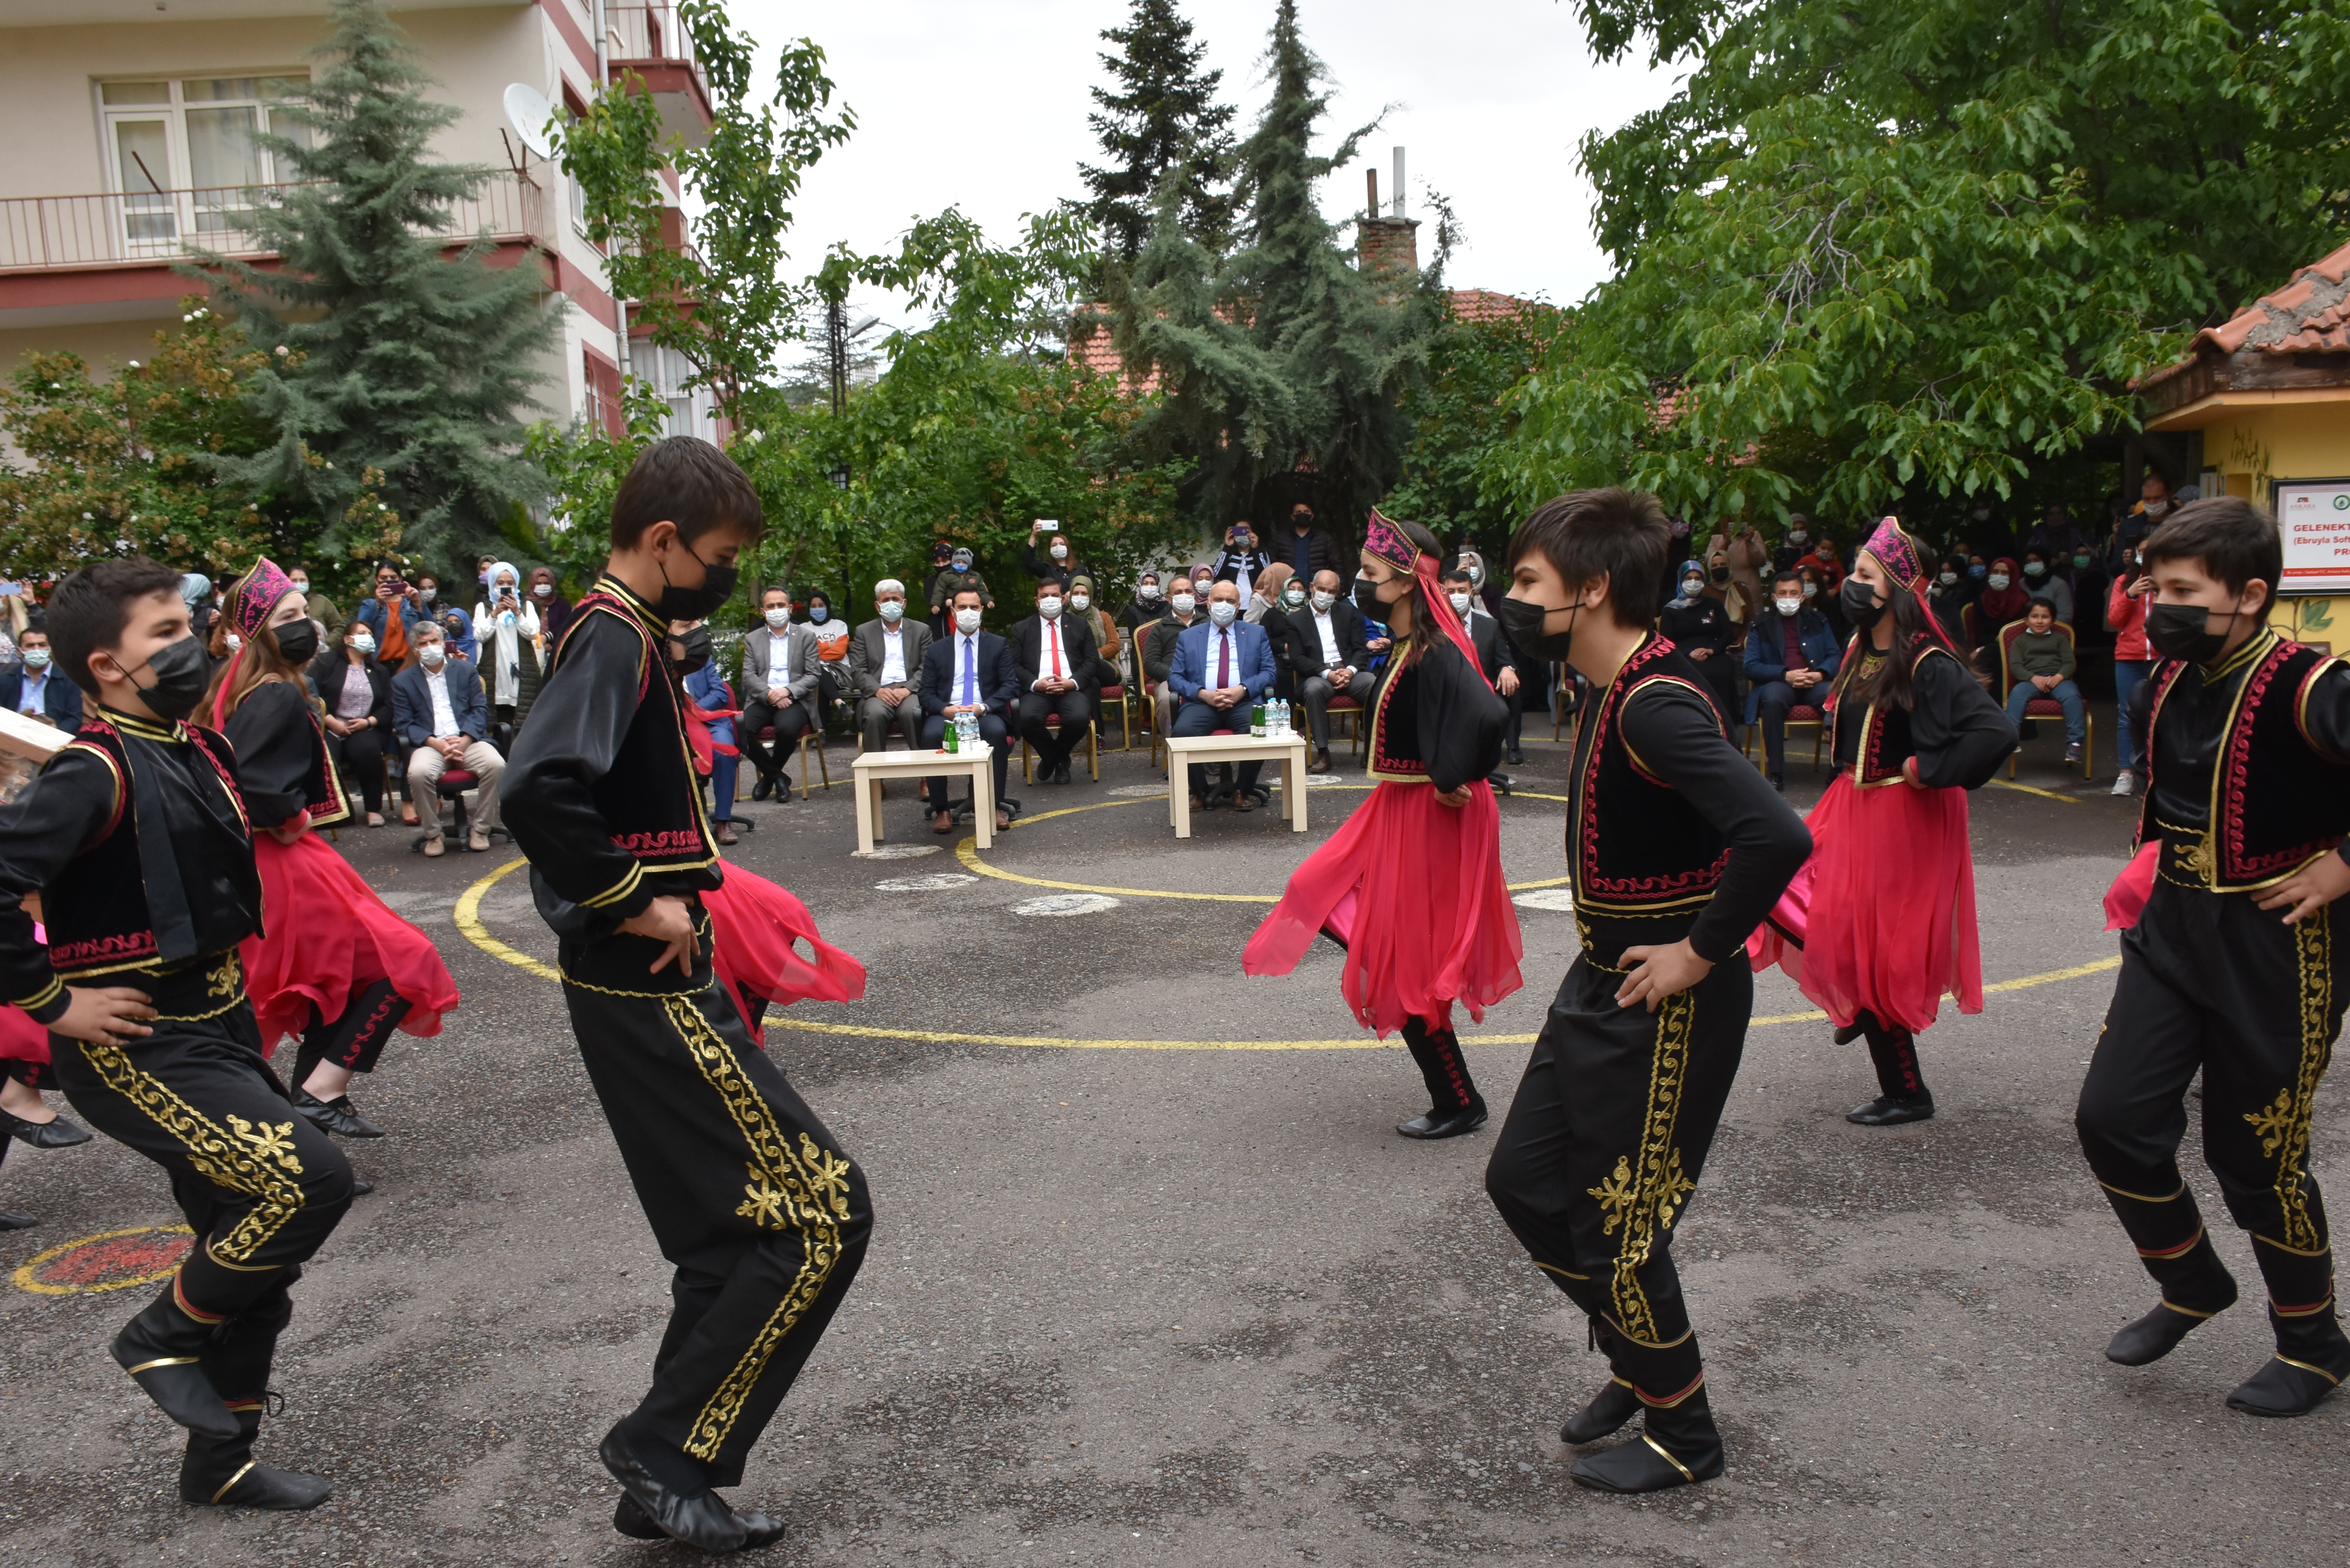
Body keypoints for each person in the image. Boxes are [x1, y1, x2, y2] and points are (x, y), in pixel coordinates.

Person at [502, 437, 870, 1552]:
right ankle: (661, 1451)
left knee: (727, 1238)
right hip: (644, 978)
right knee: (821, 1214)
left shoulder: (623, 630)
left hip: (647, 977)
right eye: (714, 557)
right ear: (661, 544)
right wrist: (629, 899)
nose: (720, 577)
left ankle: (668, 1470)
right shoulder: (611, 634)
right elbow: (538, 791)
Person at [1, 556, 353, 1509]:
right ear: (107, 665)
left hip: (220, 1026)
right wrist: (50, 1005)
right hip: (135, 1048)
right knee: (309, 1179)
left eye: (185, 623)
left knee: (254, 1256)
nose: (192, 641)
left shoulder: (199, 748)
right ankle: (156, 1338)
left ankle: (221, 1463)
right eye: (163, 632)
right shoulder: (90, 771)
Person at [1481, 489, 1811, 1495]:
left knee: (1619, 1224)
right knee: (1524, 1184)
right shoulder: (1615, 684)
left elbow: (1779, 835)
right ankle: (1642, 1359)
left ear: (1590, 592)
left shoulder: (1656, 703)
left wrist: (1701, 952)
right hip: (1603, 979)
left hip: (1665, 995)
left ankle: (1684, 1432)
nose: (1510, 598)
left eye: (1528, 582)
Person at [2076, 495, 2350, 1417]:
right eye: (2153, 587)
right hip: (2174, 924)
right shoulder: (2171, 677)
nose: (2158, 605)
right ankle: (2190, 1279)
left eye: (2182, 590)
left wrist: (2342, 867)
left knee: (2257, 1152)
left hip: (2277, 945)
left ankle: (2312, 1344)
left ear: (2250, 595)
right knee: (2111, 1117)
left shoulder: (2311, 685)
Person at [1246, 511, 1519, 1136]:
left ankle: (1456, 1100)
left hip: (1428, 815)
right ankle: (1455, 1093)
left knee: (1406, 955)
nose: (1357, 583)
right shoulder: (1404, 645)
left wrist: (1455, 778)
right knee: (1319, 893)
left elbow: (1489, 716)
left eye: (1369, 574)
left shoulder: (1435, 649)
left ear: (1402, 582)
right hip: (1398, 810)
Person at [1748, 517, 2017, 1126]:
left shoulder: (1926, 661)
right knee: (1776, 885)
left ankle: (1904, 1090)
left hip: (1899, 815)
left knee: (1873, 947)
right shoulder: (1858, 647)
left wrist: (1930, 767)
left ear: (1896, 587)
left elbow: (1994, 731)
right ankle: (1856, 1004)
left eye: (1866, 575)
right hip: (1851, 803)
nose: (1851, 583)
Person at [206, 559, 458, 1146]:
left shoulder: (235, 686)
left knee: (339, 989)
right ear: (261, 629)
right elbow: (257, 790)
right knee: (403, 964)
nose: (305, 626)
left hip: (271, 865)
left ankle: (308, 1117)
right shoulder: (274, 695)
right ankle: (321, 1093)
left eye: (303, 613)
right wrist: (292, 819)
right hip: (286, 864)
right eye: (288, 616)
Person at [391, 621, 503, 857]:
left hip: (468, 740)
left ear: (443, 643)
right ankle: (433, 834)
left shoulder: (466, 670)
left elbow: (480, 710)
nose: (430, 646)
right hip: (430, 744)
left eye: (434, 641)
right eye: (423, 644)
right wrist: (436, 744)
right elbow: (404, 723)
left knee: (496, 765)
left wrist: (465, 739)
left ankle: (481, 830)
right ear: (415, 649)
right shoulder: (402, 681)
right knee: (418, 773)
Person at [1167, 580, 1277, 812]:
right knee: (1183, 733)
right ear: (1208, 603)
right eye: (1218, 600)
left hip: (1243, 701)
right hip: (1203, 703)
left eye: (1230, 601)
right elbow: (1175, 678)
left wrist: (1243, 689)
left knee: (1258, 730)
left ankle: (1242, 790)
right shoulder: (1190, 636)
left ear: (1238, 608)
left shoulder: (1257, 633)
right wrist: (1203, 694)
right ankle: (1200, 791)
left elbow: (1270, 672)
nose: (1223, 605)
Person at [920, 583, 1017, 834]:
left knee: (996, 732)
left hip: (983, 712)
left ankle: (994, 805)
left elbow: (1009, 686)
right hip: (948, 713)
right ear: (953, 612)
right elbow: (925, 693)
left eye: (974, 607)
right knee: (931, 736)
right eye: (962, 607)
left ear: (982, 610)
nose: (968, 612)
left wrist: (983, 707)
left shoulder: (997, 645)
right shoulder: (936, 649)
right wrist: (945, 710)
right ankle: (941, 810)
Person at [1741, 568, 1842, 790]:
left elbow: (1835, 655)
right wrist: (1785, 674)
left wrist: (1820, 674)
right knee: (1772, 701)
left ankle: (1837, 770)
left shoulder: (1818, 620)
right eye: (1783, 593)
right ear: (1774, 597)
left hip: (1814, 682)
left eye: (1794, 593)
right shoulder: (1761, 624)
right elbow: (1750, 666)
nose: (1789, 598)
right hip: (1779, 683)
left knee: (1838, 698)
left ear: (1803, 597)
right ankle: (1776, 772)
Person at [1011, 577, 1099, 786]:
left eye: (1055, 595)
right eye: (1044, 596)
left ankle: (1052, 758)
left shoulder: (1080, 625)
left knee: (1079, 718)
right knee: (1024, 718)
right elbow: (1013, 665)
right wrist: (1035, 684)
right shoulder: (1022, 629)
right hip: (1038, 689)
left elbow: (1092, 660)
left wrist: (1073, 682)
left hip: (1071, 687)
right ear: (1036, 601)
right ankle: (1058, 760)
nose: (1050, 600)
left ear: (1063, 598)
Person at [739, 585, 820, 802]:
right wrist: (770, 694)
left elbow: (813, 675)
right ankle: (778, 777)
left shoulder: (806, 636)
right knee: (741, 729)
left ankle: (768, 779)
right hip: (762, 698)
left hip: (794, 700)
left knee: (786, 730)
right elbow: (748, 675)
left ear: (790, 609)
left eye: (781, 605)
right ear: (763, 612)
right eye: (771, 606)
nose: (776, 609)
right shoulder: (753, 639)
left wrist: (787, 691)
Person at [314, 617, 395, 825]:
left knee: (367, 751)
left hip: (364, 727)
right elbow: (310, 694)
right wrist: (331, 721)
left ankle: (373, 809)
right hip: (330, 724)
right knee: (324, 754)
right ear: (348, 639)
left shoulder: (379, 671)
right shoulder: (327, 662)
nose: (368, 638)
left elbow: (388, 705)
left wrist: (369, 722)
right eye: (362, 634)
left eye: (370, 635)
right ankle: (331, 811)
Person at [1292, 568, 1372, 773]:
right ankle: (1323, 753)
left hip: (1349, 672)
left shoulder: (1348, 613)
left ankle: (1372, 750)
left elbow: (1361, 649)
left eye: (1332, 591)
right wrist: (1327, 673)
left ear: (1338, 593)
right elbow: (1297, 659)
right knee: (1314, 690)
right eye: (1322, 589)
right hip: (1318, 675)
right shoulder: (1296, 620)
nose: (1326, 595)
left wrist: (1351, 671)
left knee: (1374, 684)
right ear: (1312, 588)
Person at [849, 579, 931, 759]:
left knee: (914, 713)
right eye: (886, 600)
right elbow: (858, 669)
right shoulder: (864, 632)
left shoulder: (921, 630)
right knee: (874, 715)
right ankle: (877, 779)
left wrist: (907, 689)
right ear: (878, 606)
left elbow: (927, 667)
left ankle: (926, 774)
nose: (891, 603)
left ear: (904, 603)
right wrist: (878, 690)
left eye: (896, 598)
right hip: (878, 692)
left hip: (910, 691)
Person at [2003, 598, 2086, 765]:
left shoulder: (2059, 639)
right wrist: (2034, 678)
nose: (2040, 621)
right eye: (2034, 616)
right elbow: (2016, 666)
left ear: (2053, 620)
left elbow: (2069, 663)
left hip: (2058, 679)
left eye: (2045, 617)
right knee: (2017, 695)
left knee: (2072, 696)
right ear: (2026, 620)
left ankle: (2075, 743)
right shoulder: (2019, 641)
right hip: (2031, 680)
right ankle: (2011, 739)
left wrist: (2059, 677)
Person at [1657, 559, 1737, 725]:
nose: (1693, 582)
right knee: (1695, 675)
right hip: (1683, 654)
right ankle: (1695, 723)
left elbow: (1728, 633)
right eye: (1688, 578)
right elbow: (1666, 640)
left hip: (1714, 652)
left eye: (1698, 578)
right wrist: (1689, 652)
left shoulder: (1713, 605)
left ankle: (1726, 724)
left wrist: (1711, 650)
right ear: (1681, 580)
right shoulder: (1670, 609)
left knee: (1723, 673)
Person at [680, 632, 742, 846]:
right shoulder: (657, 661)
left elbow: (720, 694)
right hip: (672, 724)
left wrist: (694, 712)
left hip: (709, 722)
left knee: (723, 751)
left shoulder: (701, 659)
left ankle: (723, 822)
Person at [2106, 544, 2155, 797]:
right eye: (2142, 549)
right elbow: (2114, 619)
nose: (2145, 553)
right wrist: (2131, 594)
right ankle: (2126, 773)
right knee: (2127, 714)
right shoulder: (2124, 581)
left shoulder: (2170, 579)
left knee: (2162, 713)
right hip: (2128, 657)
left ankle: (2159, 773)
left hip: (2162, 656)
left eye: (2151, 549)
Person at [474, 561, 539, 740]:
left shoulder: (526, 607)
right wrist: (495, 614)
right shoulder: (484, 607)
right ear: (492, 584)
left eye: (509, 583)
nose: (505, 587)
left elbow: (532, 633)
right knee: (497, 720)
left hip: (521, 671)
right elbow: (480, 635)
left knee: (522, 722)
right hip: (496, 671)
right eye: (500, 583)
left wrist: (517, 612)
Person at [1143, 577, 1204, 741]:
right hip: (1171, 680)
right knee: (1165, 700)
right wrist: (1175, 677)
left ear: (1194, 595)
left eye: (1188, 591)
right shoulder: (1159, 628)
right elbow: (1150, 664)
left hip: (1206, 678)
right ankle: (1175, 755)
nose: (1184, 595)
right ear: (1169, 599)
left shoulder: (1209, 623)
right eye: (1178, 592)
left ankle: (1213, 758)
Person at [4, 625, 82, 730]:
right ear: (20, 652)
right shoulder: (7, 680)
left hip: (54, 737)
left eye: (42, 645)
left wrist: (56, 734)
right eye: (30, 646)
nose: (37, 650)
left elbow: (74, 719)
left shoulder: (68, 681)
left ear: (50, 650)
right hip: (14, 734)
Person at [353, 560, 425, 671]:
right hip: (378, 664)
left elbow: (431, 626)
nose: (389, 581)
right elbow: (360, 630)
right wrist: (378, 602)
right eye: (383, 578)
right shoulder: (370, 604)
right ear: (376, 581)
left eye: (393, 577)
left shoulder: (411, 603)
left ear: (400, 579)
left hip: (408, 663)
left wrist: (418, 602)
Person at [1066, 575, 1123, 694]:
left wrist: (1092, 657)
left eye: (1084, 593)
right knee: (1092, 683)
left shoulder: (1103, 617)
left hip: (1103, 666)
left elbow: (1114, 645)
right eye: (1076, 593)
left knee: (1092, 665)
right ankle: (1092, 714)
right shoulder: (1063, 620)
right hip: (1074, 670)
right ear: (1070, 595)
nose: (1080, 597)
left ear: (1091, 595)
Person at [926, 545, 992, 638]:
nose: (941, 565)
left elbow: (982, 592)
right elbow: (937, 593)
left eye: (945, 561)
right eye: (937, 562)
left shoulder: (975, 577)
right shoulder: (941, 578)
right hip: (947, 618)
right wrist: (939, 604)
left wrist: (988, 600)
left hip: (971, 614)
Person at [1280, 502, 1344, 584]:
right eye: (1298, 512)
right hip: (1288, 592)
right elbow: (1270, 568)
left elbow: (1338, 567)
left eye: (1306, 512)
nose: (1302, 514)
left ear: (1312, 516)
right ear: (1292, 516)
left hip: (1317, 593)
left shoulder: (1324, 539)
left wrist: (1337, 594)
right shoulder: (1280, 539)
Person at [1209, 522, 1272, 605]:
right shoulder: (1229, 554)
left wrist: (1256, 548)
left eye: (1246, 530)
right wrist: (1227, 546)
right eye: (1239, 530)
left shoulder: (1260, 553)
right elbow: (1217, 573)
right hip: (1232, 603)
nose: (1243, 534)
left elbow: (1267, 577)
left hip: (1254, 604)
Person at [1022, 520, 1086, 592]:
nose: (1058, 547)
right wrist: (1034, 536)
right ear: (1050, 549)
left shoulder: (1080, 570)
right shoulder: (1047, 569)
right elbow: (1030, 562)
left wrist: (1073, 593)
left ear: (1067, 548)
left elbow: (1093, 590)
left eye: (1062, 544)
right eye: (1054, 545)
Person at [286, 565, 343, 640]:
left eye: (303, 580)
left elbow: (339, 626)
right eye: (294, 580)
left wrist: (327, 644)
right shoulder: (282, 604)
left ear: (309, 582)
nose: (299, 584)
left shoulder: (321, 601)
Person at [2020, 547, 2073, 625]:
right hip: (2025, 631)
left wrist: (2041, 627)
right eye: (2029, 561)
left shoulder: (2059, 585)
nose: (2032, 564)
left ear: (2045, 562)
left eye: (2036, 560)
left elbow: (2066, 616)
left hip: (2053, 632)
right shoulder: (2021, 584)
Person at [530, 566, 572, 644]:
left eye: (546, 583)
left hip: (557, 649)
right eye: (539, 583)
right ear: (533, 584)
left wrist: (547, 637)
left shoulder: (563, 605)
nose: (542, 586)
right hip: (531, 650)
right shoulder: (527, 604)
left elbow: (567, 626)